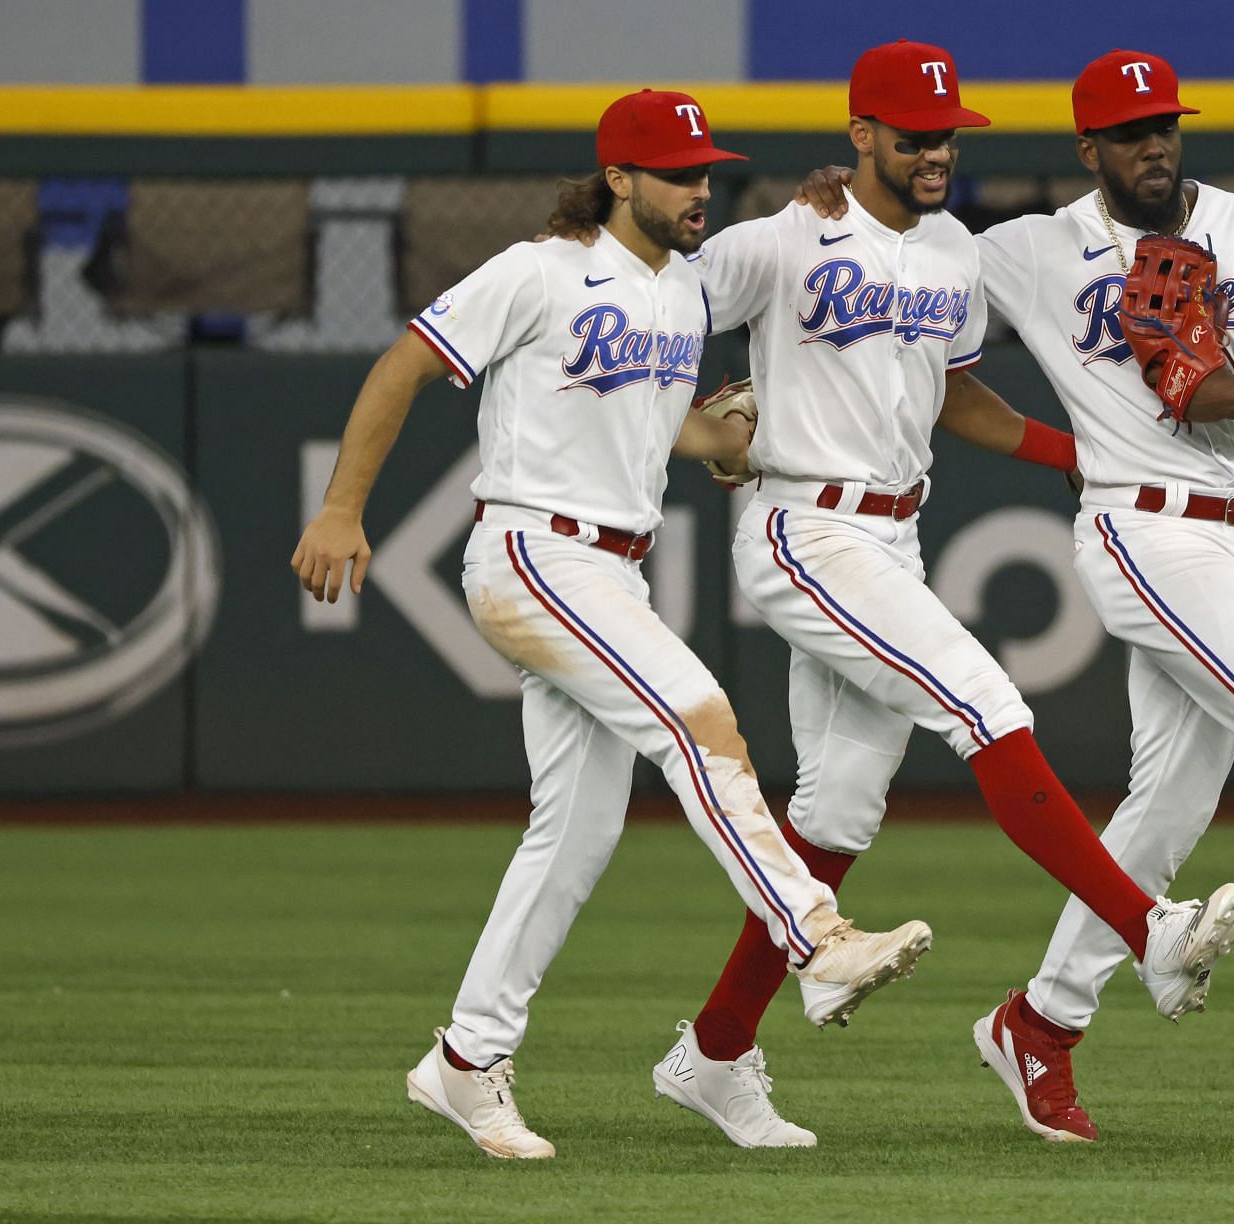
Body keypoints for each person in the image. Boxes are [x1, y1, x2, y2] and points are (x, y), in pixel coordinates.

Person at [796, 48, 1234, 1143]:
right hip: (1135, 525)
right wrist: (819, 230)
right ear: (1089, 149)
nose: (1153, 144)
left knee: (1168, 806)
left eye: (1164, 124)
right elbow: (892, 300)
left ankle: (1039, 1024)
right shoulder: (1032, 251)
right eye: (1128, 133)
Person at [289, 88, 934, 1161]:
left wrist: (719, 437)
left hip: (611, 567)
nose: (699, 191)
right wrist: (344, 506)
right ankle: (815, 935)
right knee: (699, 721)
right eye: (677, 174)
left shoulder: (683, 292)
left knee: (575, 834)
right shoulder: (538, 269)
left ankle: (464, 1061)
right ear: (619, 178)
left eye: (705, 173)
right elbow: (405, 362)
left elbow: (657, 423)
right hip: (534, 552)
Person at [647, 40, 1234, 1150]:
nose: (937, 150)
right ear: (860, 136)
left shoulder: (953, 256)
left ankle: (717, 1051)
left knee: (837, 814)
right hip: (803, 527)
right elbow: (645, 307)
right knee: (985, 702)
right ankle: (1145, 926)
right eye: (915, 134)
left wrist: (1079, 453)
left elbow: (954, 397)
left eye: (948, 133)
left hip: (895, 532)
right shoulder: (781, 241)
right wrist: (689, 430)